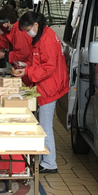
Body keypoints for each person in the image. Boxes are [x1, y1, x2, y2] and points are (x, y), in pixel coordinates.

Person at [13, 11, 69, 174]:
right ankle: (42, 158)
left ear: (35, 25)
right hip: (45, 85)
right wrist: (26, 66)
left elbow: (48, 67)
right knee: (41, 123)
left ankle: (50, 163)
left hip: (49, 87)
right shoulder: (41, 35)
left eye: (27, 29)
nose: (27, 33)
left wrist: (27, 72)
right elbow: (38, 61)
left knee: (45, 125)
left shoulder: (47, 39)